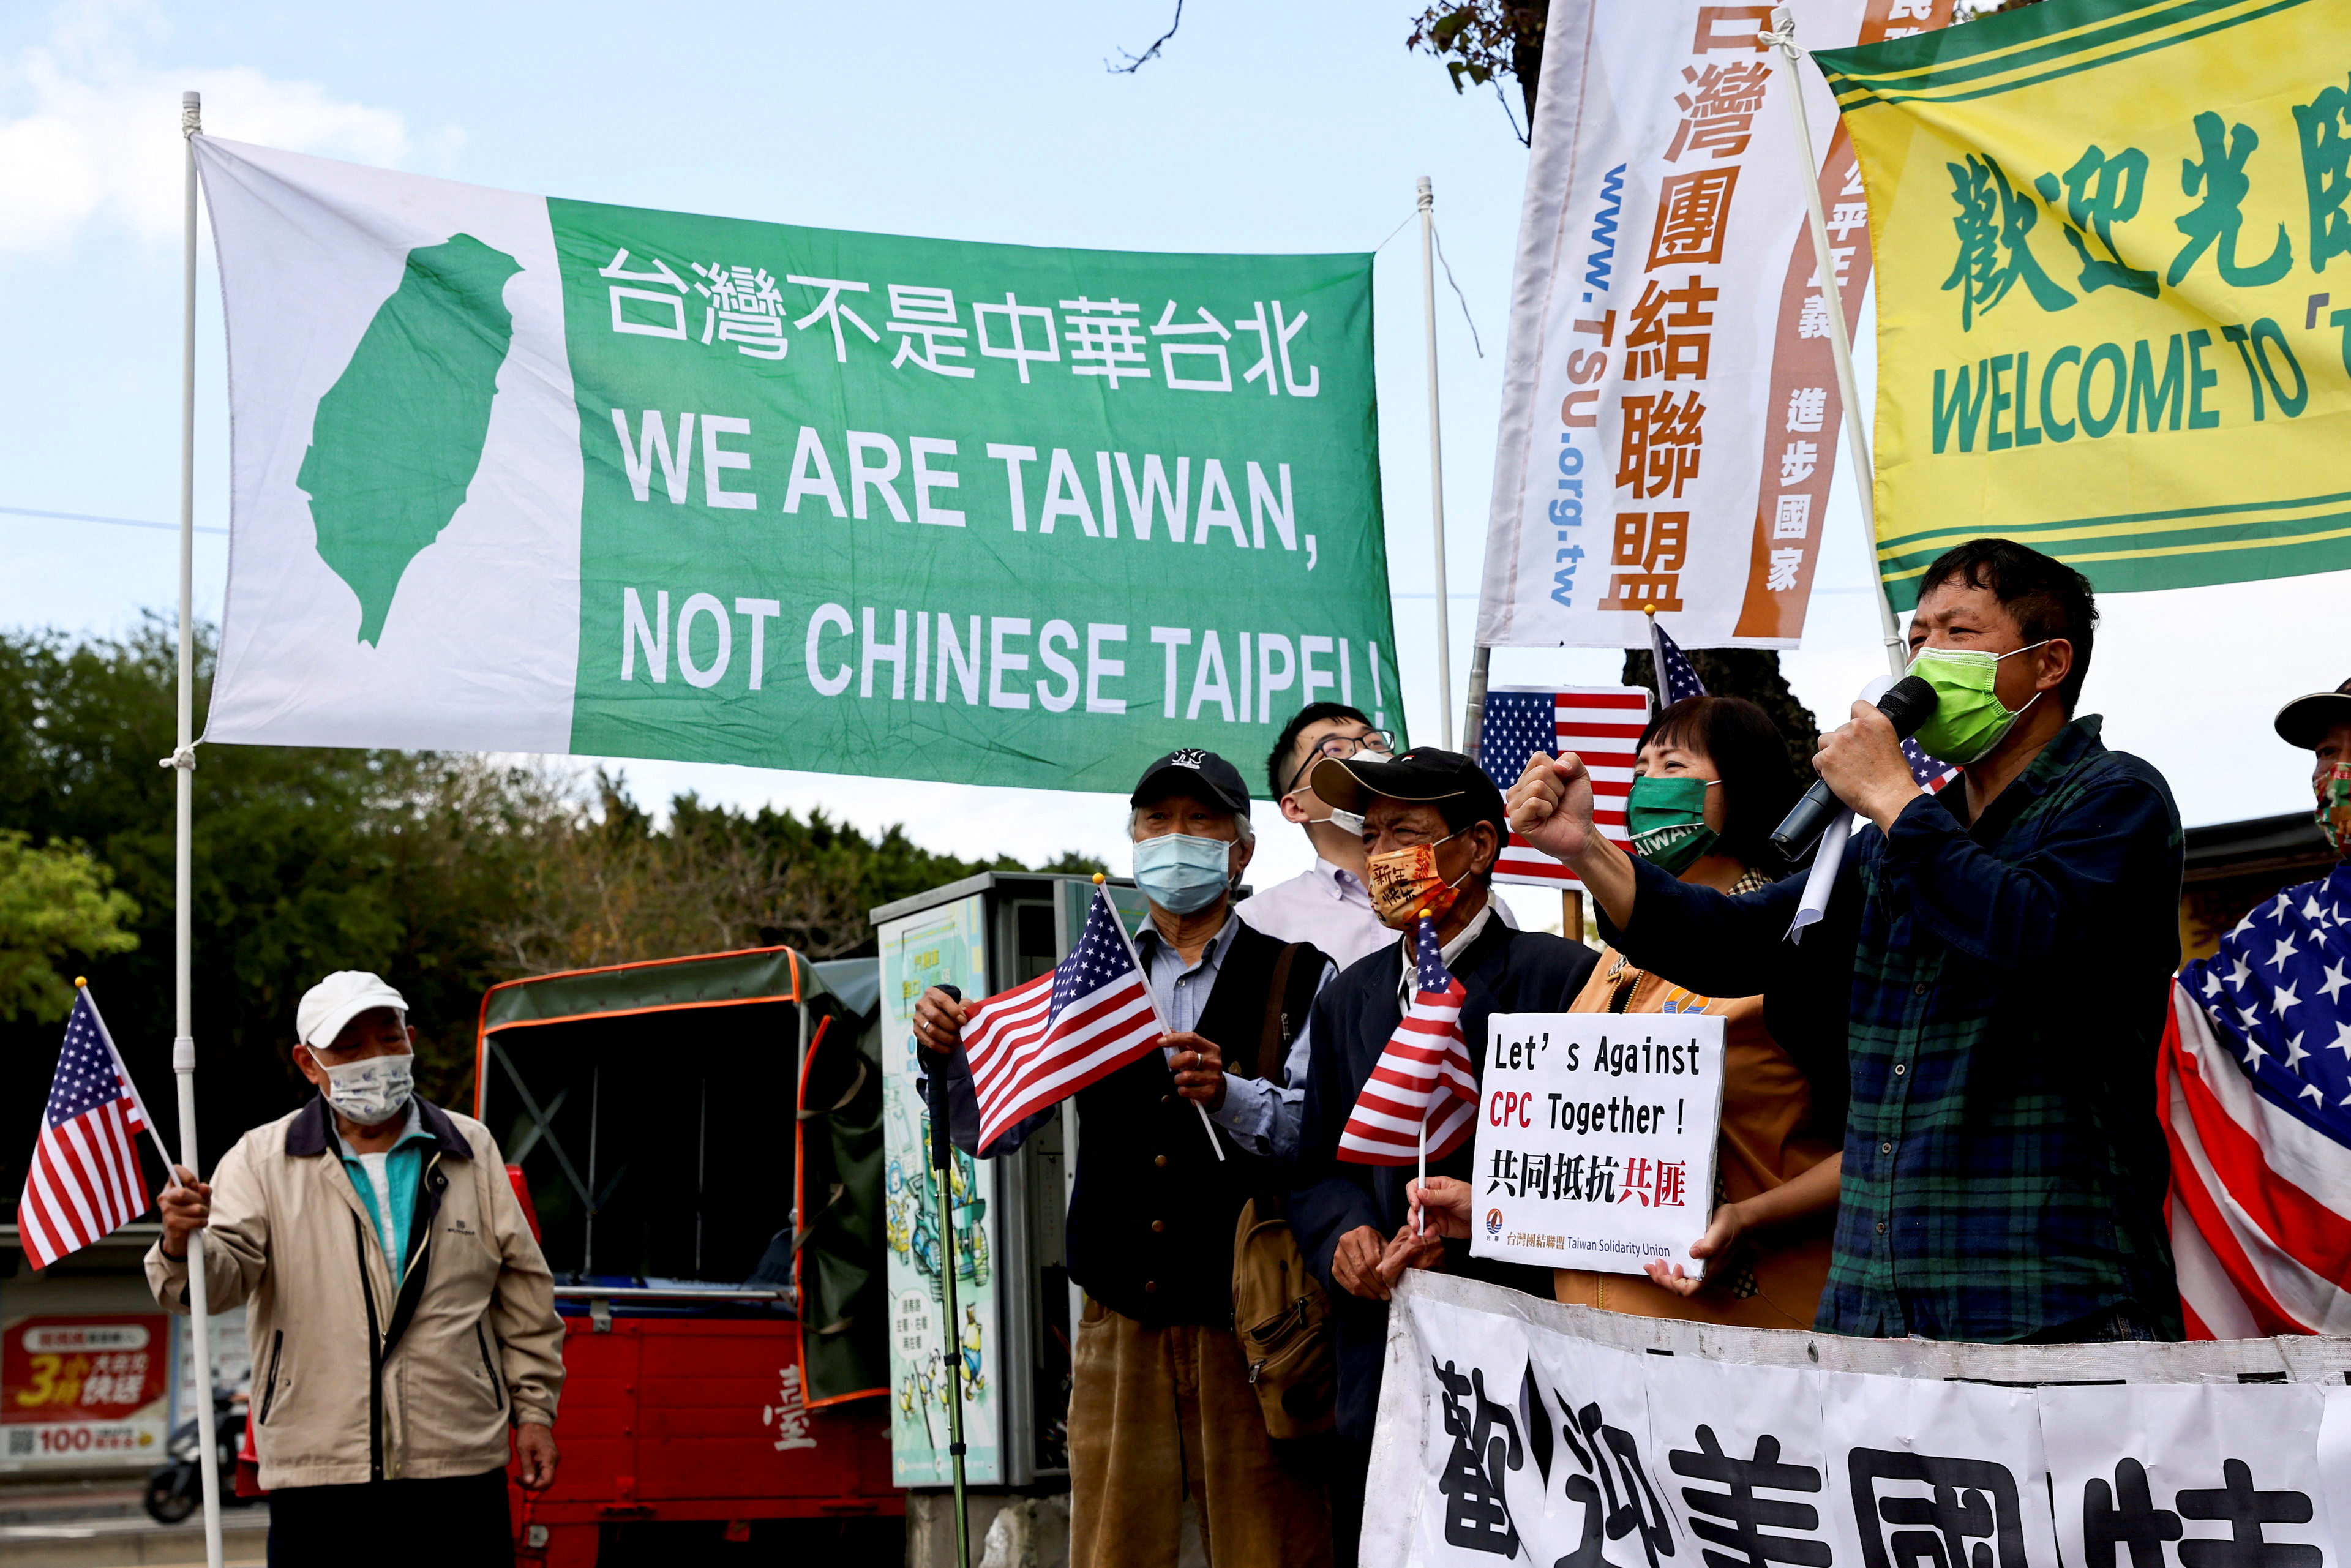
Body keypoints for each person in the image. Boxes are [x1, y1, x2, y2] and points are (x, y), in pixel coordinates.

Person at [1509, 538, 2185, 1345]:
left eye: (1958, 634)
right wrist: (1587, 849)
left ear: (2050, 663)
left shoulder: (2115, 800)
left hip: (2041, 1287)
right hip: (1878, 1298)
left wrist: (1897, 797)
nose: (1926, 659)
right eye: (1918, 637)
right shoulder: (1885, 846)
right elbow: (1730, 943)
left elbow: (2030, 935)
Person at [914, 749, 1335, 1568]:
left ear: (1241, 849)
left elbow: (1321, 1136)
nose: (1176, 838)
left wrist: (1231, 1095)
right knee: (1112, 1550)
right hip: (1115, 1325)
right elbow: (986, 1125)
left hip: (1254, 1323)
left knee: (1272, 1547)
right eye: (1157, 821)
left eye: (1201, 820)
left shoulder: (1300, 972)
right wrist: (946, 1052)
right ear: (1133, 841)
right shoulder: (1090, 979)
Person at [1411, 693, 1845, 1329]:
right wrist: (1499, 1206)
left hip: (1751, 1334)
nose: (1646, 785)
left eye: (1672, 766)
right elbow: (1602, 1156)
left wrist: (1748, 1216)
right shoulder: (1614, 962)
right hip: (1601, 1345)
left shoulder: (1799, 946)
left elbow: (1875, 1141)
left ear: (1744, 787)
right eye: (1639, 768)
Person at [1284, 746, 1599, 1566]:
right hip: (1385, 1372)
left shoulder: (1568, 981)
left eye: (1409, 833)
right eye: (1374, 835)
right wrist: (1343, 1238)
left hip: (1532, 1375)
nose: (1385, 857)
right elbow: (1318, 1166)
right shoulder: (1350, 995)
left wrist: (1486, 1213)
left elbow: (1602, 1180)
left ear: (1482, 845)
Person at [148, 971, 564, 1567]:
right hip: (318, 1472)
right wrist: (179, 1238)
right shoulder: (262, 1159)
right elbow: (214, 1281)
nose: (375, 1058)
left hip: (459, 1463)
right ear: (309, 1062)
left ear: (410, 1038)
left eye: (388, 1037)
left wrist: (534, 1412)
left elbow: (524, 1295)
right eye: (348, 1047)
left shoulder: (470, 1148)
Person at [1236, 703, 1400, 969]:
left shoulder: (1464, 898)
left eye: (1375, 743)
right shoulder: (1257, 923)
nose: (1366, 754)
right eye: (1334, 749)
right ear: (1296, 807)